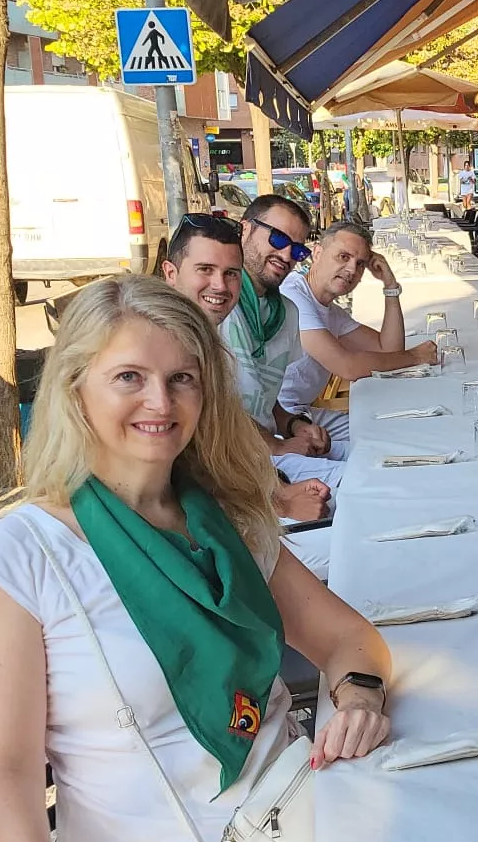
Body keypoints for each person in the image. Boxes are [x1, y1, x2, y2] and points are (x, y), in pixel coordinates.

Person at [0, 276, 396, 842]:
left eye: (182, 378)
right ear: (75, 388)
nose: (159, 401)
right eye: (129, 377)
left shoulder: (222, 519)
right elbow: (3, 767)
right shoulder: (20, 558)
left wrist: (358, 697)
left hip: (299, 815)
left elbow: (351, 643)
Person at [159, 215, 336, 578]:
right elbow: (183, 471)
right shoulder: (164, 350)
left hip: (239, 504)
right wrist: (278, 501)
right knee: (362, 539)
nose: (220, 285)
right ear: (171, 273)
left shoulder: (205, 343)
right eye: (205, 270)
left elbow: (225, 448)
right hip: (193, 547)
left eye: (231, 274)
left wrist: (279, 487)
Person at [223, 194, 343, 490]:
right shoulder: (219, 305)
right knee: (365, 481)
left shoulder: (286, 311)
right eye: (278, 239)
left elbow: (261, 393)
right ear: (245, 229)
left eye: (298, 250)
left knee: (375, 454)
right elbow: (217, 408)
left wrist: (293, 424)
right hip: (239, 459)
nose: (287, 254)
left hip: (272, 445)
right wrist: (276, 446)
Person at [276, 220, 439, 436]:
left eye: (360, 263)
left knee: (397, 432)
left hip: (302, 413)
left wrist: (390, 286)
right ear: (317, 253)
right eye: (343, 257)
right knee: (384, 440)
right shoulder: (293, 296)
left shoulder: (331, 311)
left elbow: (389, 350)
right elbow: (348, 367)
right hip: (276, 422)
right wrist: (415, 357)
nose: (352, 269)